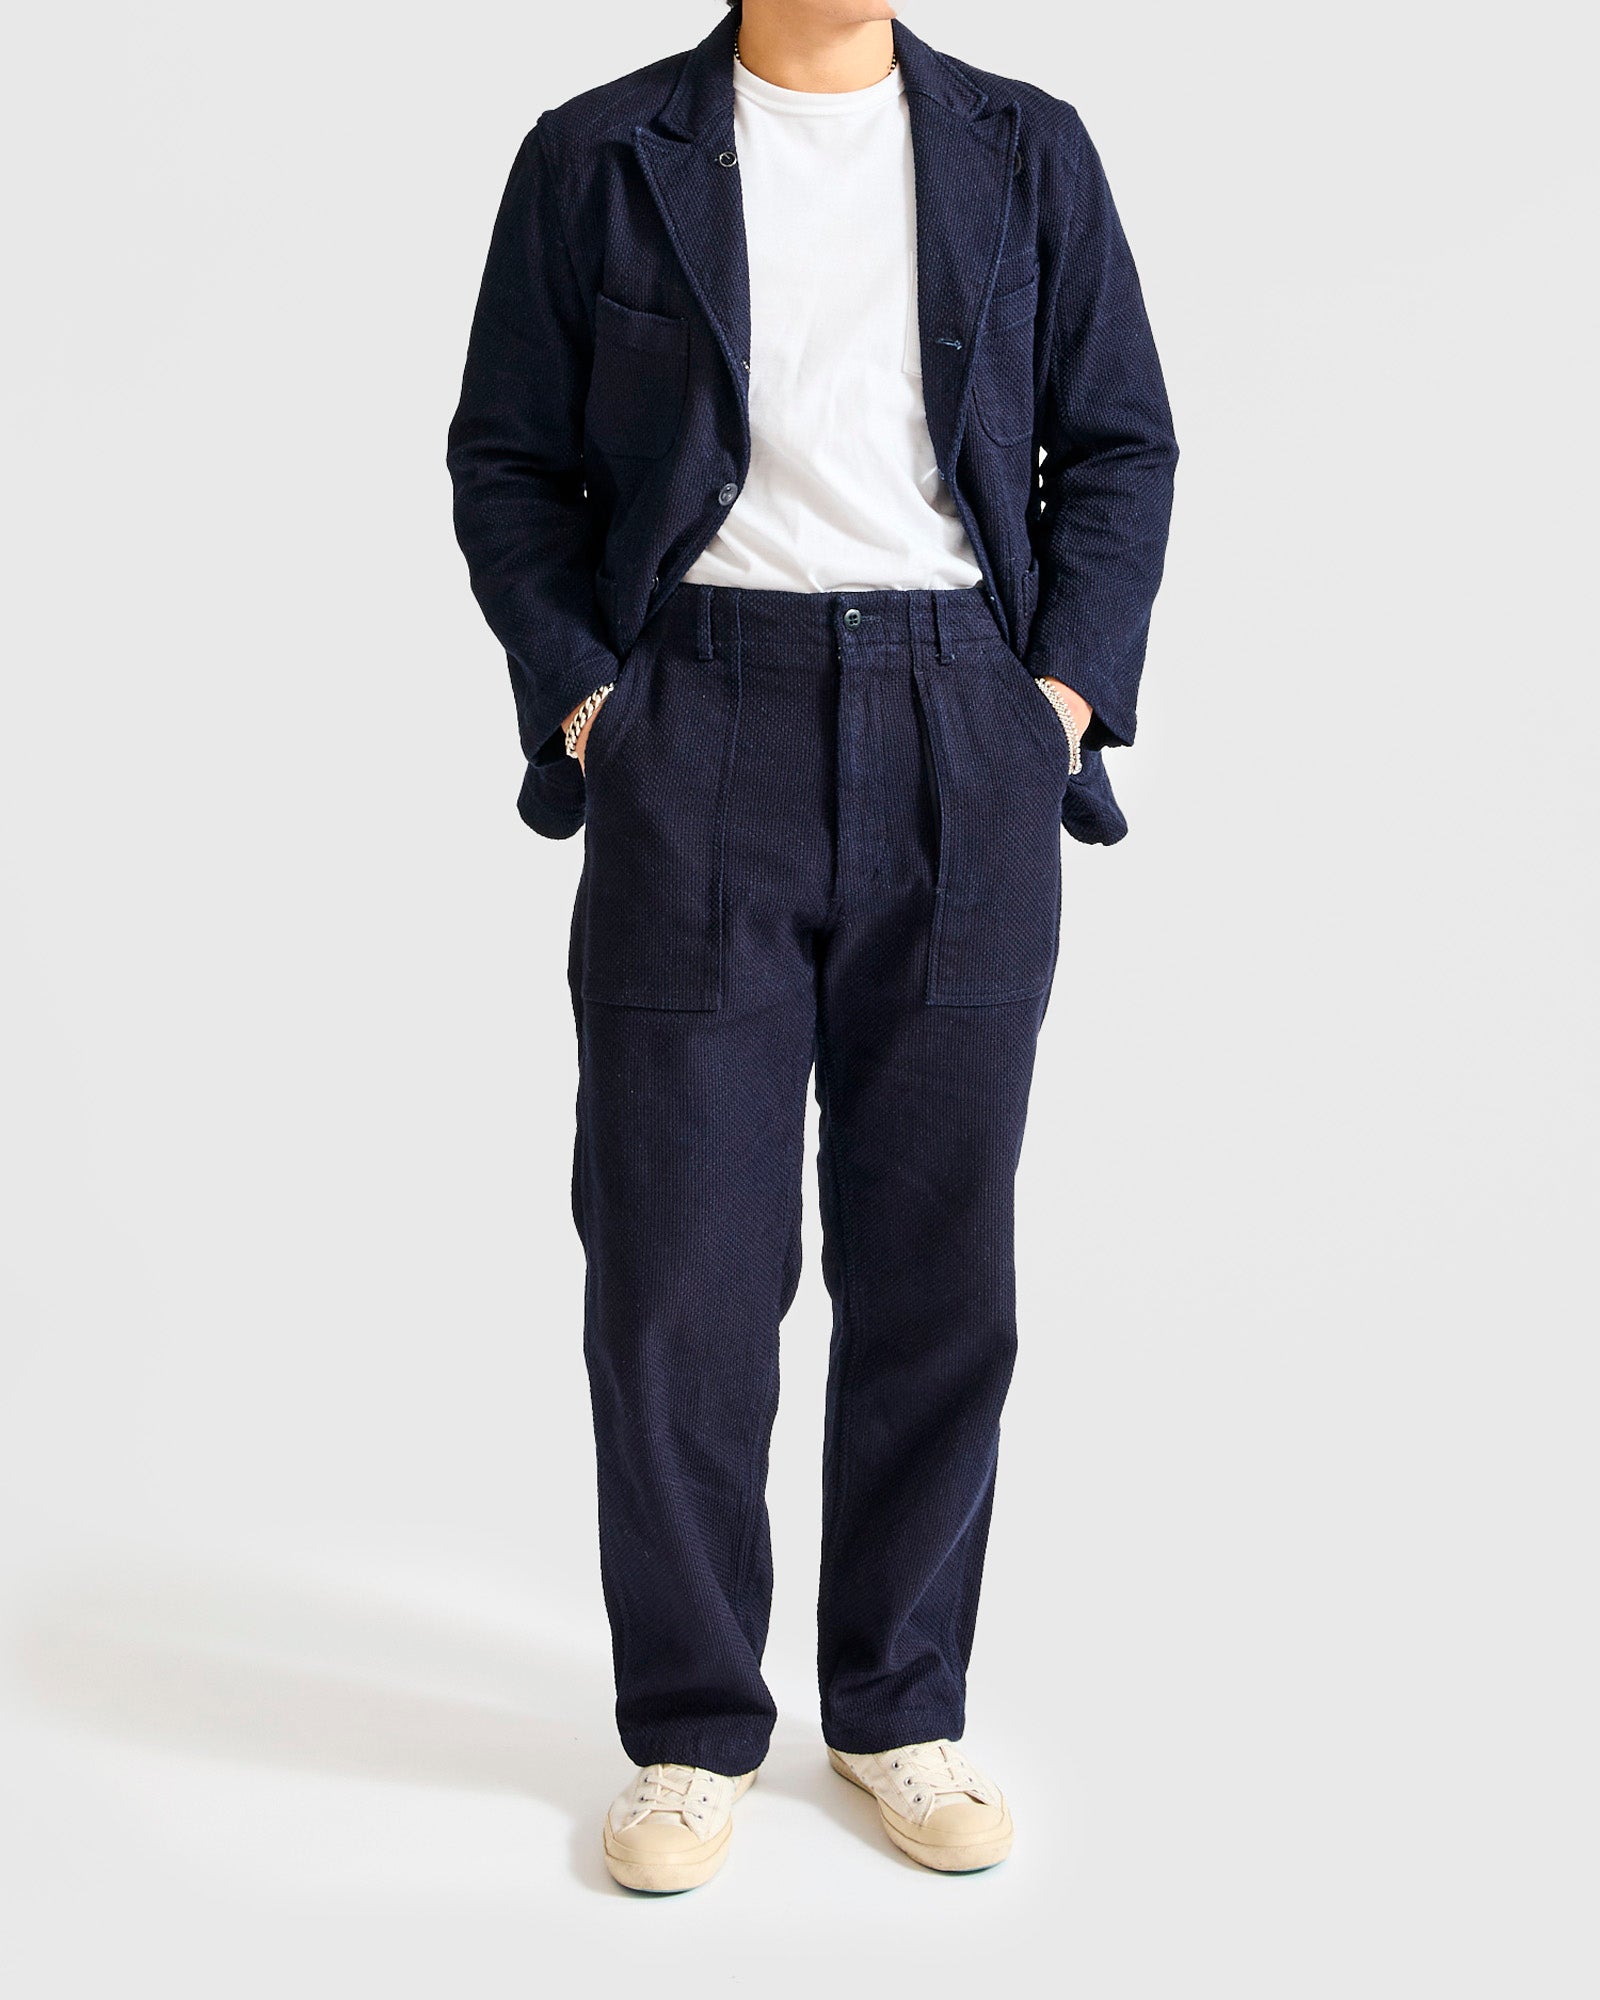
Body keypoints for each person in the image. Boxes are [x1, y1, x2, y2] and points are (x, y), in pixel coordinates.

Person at [446, 0, 1176, 1892]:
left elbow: (1119, 443)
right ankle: (692, 1730)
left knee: (939, 1262)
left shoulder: (1028, 146)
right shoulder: (599, 154)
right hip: (698, 717)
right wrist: (595, 703)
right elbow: (506, 460)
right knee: (677, 1266)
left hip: (963, 723)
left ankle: (897, 1708)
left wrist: (1055, 706)